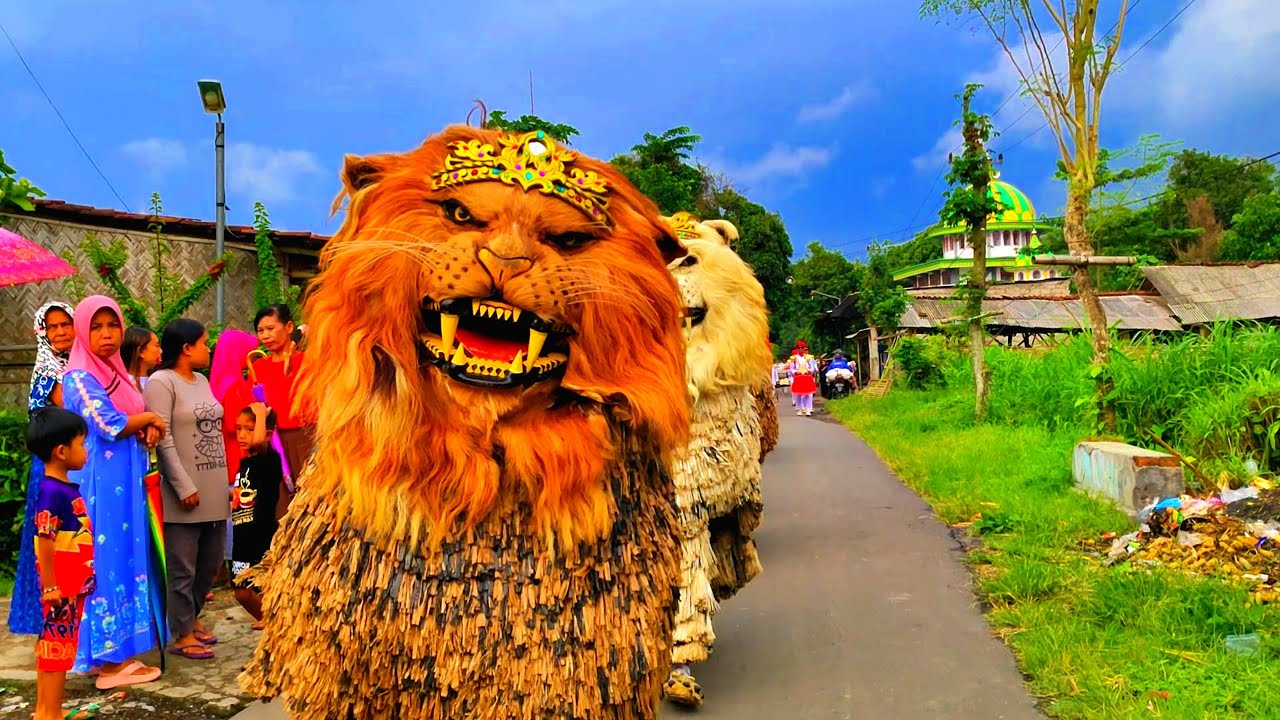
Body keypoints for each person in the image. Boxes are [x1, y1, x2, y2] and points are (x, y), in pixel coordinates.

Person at [61, 295, 166, 688]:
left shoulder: (116, 372)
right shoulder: (78, 377)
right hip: (101, 486)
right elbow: (107, 423)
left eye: (112, 326)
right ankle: (107, 664)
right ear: (83, 332)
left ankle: (114, 653)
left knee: (125, 559)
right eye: (97, 327)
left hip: (126, 481)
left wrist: (146, 425)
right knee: (105, 562)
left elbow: (130, 417)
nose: (106, 335)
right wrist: (149, 418)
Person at [142, 319, 228, 660]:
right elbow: (163, 437)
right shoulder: (162, 382)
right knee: (183, 567)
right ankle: (181, 632)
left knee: (210, 561)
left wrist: (227, 481)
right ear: (186, 347)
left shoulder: (203, 380)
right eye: (205, 342)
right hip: (185, 490)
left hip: (215, 483)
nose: (209, 348)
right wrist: (182, 485)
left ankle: (190, 620)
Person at [9, 301, 76, 637]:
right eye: (53, 327)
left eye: (66, 324)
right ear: (43, 333)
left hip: (73, 460)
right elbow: (74, 408)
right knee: (53, 536)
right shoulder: (51, 370)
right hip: (53, 467)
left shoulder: (74, 364)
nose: (61, 332)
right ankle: (48, 617)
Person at [26, 406, 94, 720]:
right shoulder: (52, 492)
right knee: (56, 651)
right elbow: (44, 539)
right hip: (61, 587)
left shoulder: (61, 488)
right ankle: (48, 714)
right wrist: (51, 585)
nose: (86, 450)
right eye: (82, 443)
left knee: (57, 648)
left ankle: (48, 708)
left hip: (69, 584)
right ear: (62, 451)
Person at [252, 304, 314, 518]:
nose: (266, 336)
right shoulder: (258, 367)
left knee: (312, 505)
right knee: (280, 509)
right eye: (261, 331)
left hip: (307, 440)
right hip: (274, 444)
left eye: (271, 328)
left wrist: (300, 338)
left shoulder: (309, 361)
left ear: (289, 327)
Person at [229, 403, 282, 630]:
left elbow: (260, 442)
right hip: (242, 543)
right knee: (241, 592)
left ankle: (276, 628)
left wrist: (261, 411)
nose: (241, 434)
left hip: (263, 541)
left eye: (249, 429)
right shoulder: (245, 464)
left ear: (267, 433)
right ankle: (274, 624)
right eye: (239, 428)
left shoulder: (269, 459)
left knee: (269, 590)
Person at [121, 326, 161, 392]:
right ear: (141, 352)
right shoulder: (125, 386)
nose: (161, 351)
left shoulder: (157, 380)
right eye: (157, 346)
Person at [786, 340, 819, 416]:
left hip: (807, 376)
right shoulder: (794, 359)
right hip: (798, 377)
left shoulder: (808, 358)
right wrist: (795, 372)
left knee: (808, 393)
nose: (800, 349)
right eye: (799, 348)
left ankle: (808, 409)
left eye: (802, 348)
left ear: (804, 349)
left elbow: (812, 367)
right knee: (799, 394)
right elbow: (791, 369)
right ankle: (799, 409)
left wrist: (810, 371)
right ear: (797, 349)